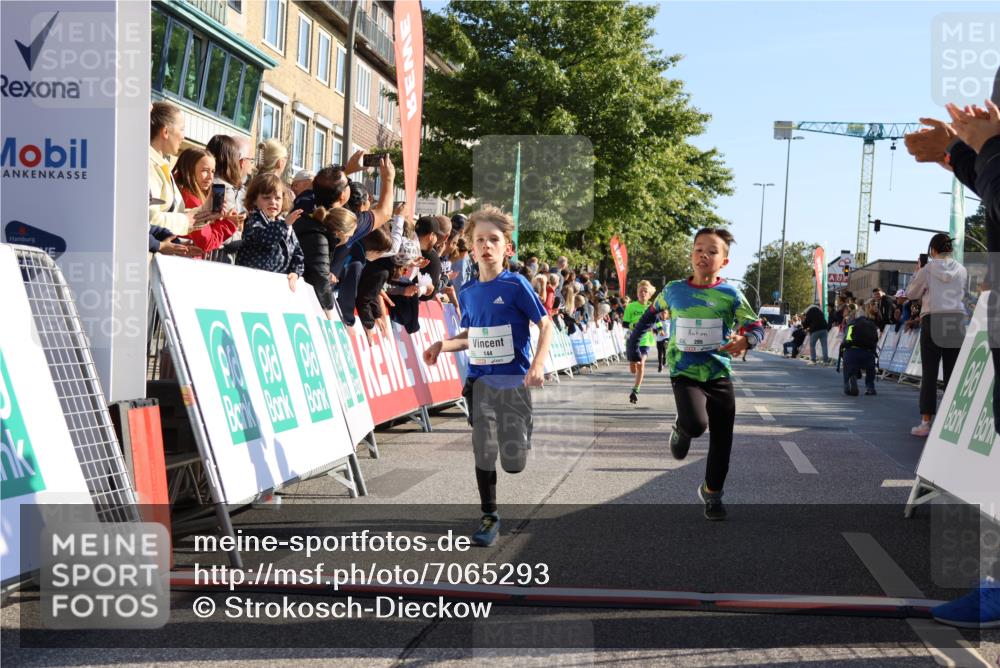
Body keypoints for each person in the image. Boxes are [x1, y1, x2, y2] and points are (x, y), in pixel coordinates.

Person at [422, 206, 553, 547]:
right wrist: (442, 344)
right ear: (471, 245)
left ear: (506, 247)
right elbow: (473, 336)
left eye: (494, 240)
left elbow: (545, 324)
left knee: (513, 463)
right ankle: (489, 514)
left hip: (514, 382)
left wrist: (538, 364)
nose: (486, 246)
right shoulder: (466, 291)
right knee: (484, 447)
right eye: (479, 240)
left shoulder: (516, 285)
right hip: (480, 382)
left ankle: (523, 431)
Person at [626, 228, 764, 520]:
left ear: (724, 261)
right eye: (699, 249)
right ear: (692, 255)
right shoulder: (674, 290)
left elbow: (756, 326)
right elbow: (648, 316)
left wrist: (746, 340)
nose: (704, 255)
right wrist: (632, 346)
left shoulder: (730, 294)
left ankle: (712, 493)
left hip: (718, 373)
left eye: (712, 251)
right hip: (684, 372)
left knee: (723, 438)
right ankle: (682, 428)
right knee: (697, 424)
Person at [905, 233, 968, 437]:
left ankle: (926, 422)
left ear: (933, 249)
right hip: (957, 320)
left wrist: (917, 274)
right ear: (949, 249)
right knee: (952, 373)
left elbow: (911, 294)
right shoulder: (962, 269)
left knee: (930, 372)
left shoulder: (928, 268)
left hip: (934, 318)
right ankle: (952, 420)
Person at [235, 173, 304, 292]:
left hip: (277, 283)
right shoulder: (255, 220)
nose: (273, 202)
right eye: (266, 197)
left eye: (277, 198)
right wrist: (284, 225)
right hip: (253, 283)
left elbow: (297, 253)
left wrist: (295, 272)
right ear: (254, 200)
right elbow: (265, 239)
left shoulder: (284, 223)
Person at [295, 206, 357, 314]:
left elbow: (314, 266)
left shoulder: (313, 229)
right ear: (339, 233)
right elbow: (321, 279)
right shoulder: (320, 239)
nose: (348, 240)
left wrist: (326, 274)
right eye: (348, 236)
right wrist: (329, 309)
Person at [622, 280, 656, 403]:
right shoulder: (631, 306)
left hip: (645, 341)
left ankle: (635, 390)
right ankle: (633, 363)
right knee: (633, 369)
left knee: (641, 363)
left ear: (649, 294)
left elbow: (657, 321)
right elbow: (625, 324)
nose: (643, 293)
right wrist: (634, 325)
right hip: (632, 339)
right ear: (637, 293)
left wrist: (658, 328)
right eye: (640, 291)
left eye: (645, 291)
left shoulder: (652, 308)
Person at [841, 303, 879, 396]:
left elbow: (848, 339)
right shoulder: (872, 325)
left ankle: (848, 384)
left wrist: (843, 346)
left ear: (855, 316)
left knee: (847, 364)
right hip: (868, 354)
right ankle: (870, 387)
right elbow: (875, 339)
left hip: (852, 353)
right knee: (871, 368)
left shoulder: (851, 324)